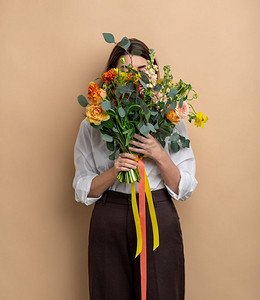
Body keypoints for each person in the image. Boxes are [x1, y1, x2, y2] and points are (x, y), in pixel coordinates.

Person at [73, 38, 198, 300]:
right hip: (110, 216)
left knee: (162, 293)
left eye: (141, 71)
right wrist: (115, 169)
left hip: (157, 213)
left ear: (153, 76)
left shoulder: (170, 119)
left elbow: (183, 188)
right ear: (112, 76)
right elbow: (82, 190)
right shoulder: (93, 123)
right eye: (125, 71)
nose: (134, 79)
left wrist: (158, 153)